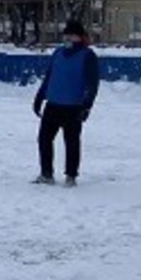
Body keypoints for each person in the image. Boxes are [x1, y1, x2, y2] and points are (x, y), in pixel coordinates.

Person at [33, 19, 100, 187]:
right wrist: (40, 97)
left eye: (72, 35)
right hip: (53, 104)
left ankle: (71, 175)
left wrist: (87, 105)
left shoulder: (87, 56)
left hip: (74, 107)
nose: (68, 38)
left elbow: (92, 84)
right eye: (66, 35)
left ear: (80, 37)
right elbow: (49, 76)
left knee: (71, 142)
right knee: (44, 139)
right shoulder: (58, 53)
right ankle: (46, 174)